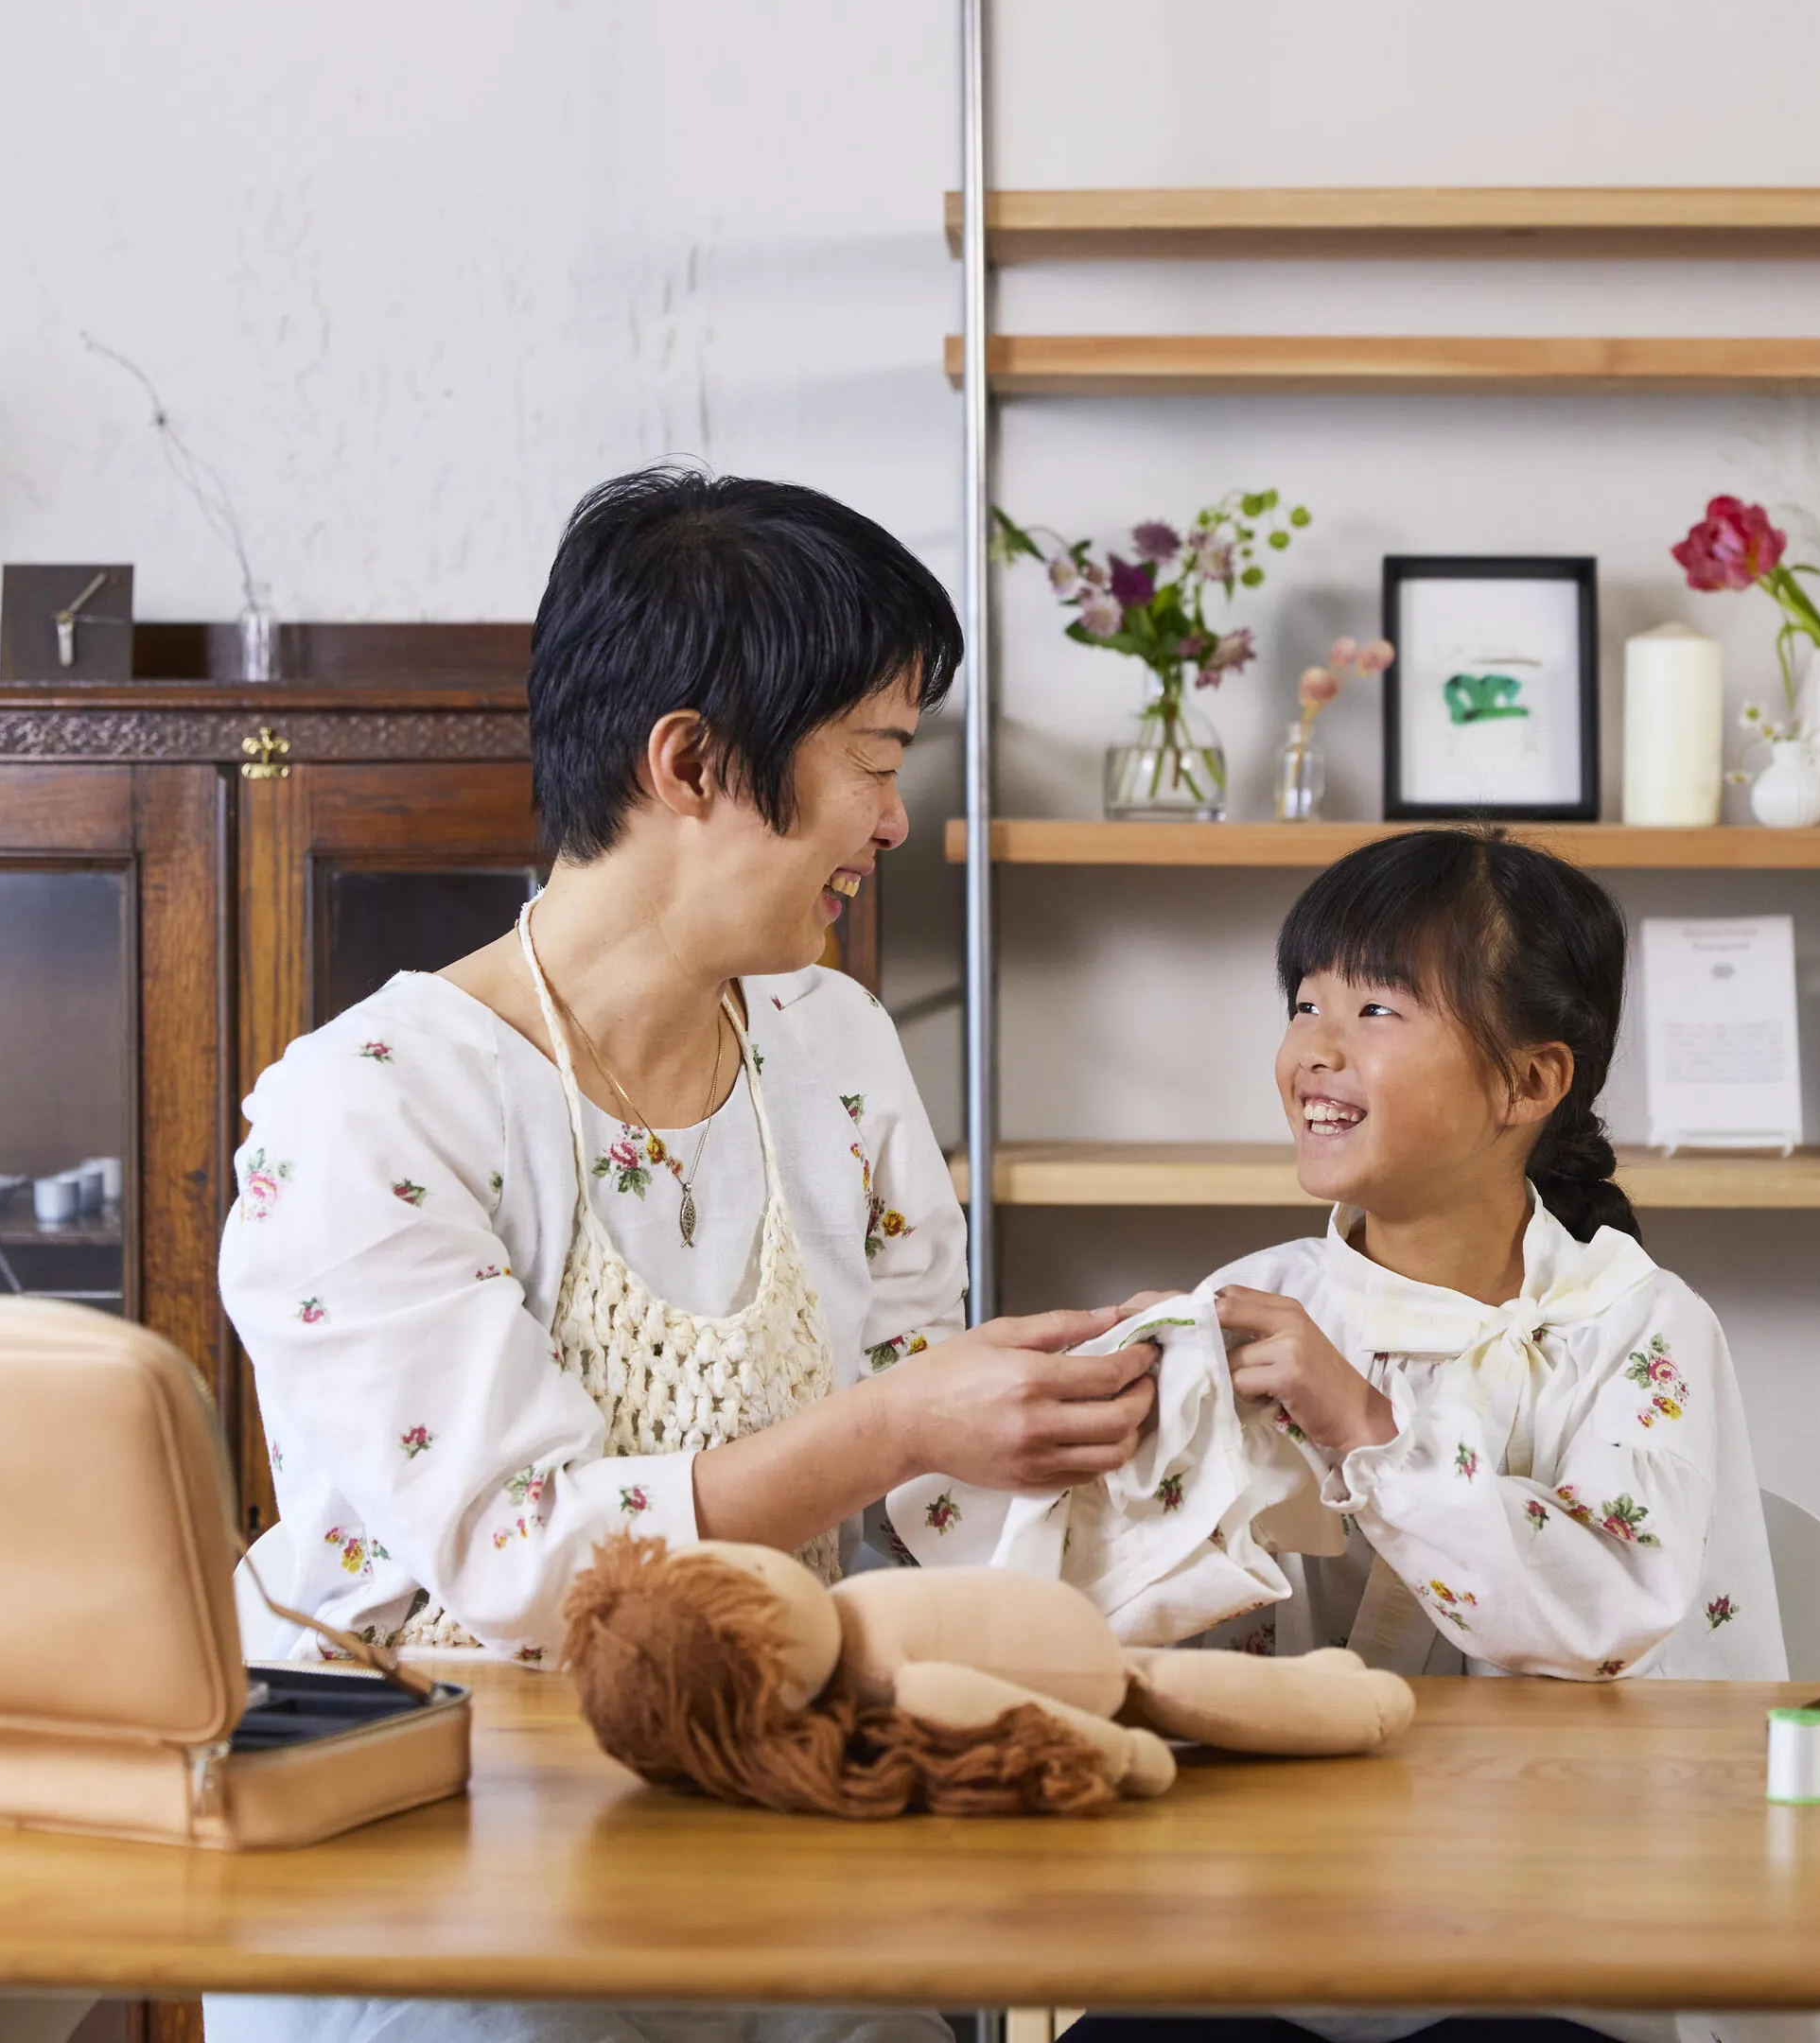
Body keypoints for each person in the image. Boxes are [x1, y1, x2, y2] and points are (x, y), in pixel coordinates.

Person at [208, 466, 1156, 2043]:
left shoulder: (830, 1042)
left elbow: (925, 1480)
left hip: (766, 1782)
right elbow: (520, 1558)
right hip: (431, 1835)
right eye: (873, 760)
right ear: (691, 763)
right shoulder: (372, 1104)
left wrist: (1122, 1431)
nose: (892, 818)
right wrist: (901, 1424)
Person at [897, 829, 1785, 1686]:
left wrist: (1366, 1425)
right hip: (1303, 1780)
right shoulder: (1256, 1307)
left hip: (1562, 1789)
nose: (1314, 1051)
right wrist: (1124, 1426)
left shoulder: (1636, 1325)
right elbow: (1116, 1603)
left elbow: (1610, 1615)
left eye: (1375, 1010)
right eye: (1304, 1006)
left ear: (1529, 1081)